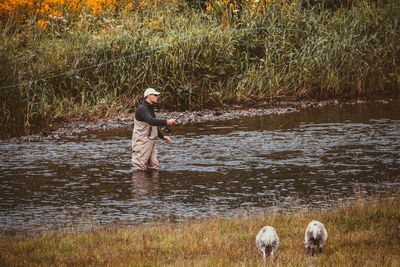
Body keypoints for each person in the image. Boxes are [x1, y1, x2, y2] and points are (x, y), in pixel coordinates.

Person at [132, 88, 175, 170]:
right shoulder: (142, 108)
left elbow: (153, 125)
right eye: (155, 95)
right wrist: (166, 122)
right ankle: (139, 183)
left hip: (151, 141)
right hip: (141, 142)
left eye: (157, 95)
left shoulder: (150, 108)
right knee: (139, 167)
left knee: (154, 166)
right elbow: (151, 121)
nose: (157, 97)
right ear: (148, 96)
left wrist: (162, 136)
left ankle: (153, 183)